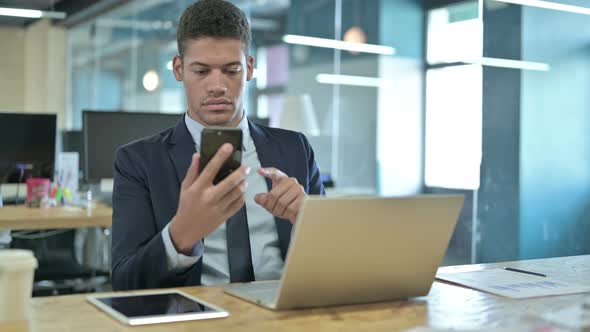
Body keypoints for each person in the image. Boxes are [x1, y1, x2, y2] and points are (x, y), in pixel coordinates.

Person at [111, 0, 325, 290]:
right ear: (178, 69)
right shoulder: (137, 161)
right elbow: (125, 283)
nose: (217, 86)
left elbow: (335, 264)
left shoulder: (295, 148)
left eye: (231, 70)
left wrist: (308, 221)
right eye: (201, 71)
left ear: (249, 68)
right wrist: (180, 235)